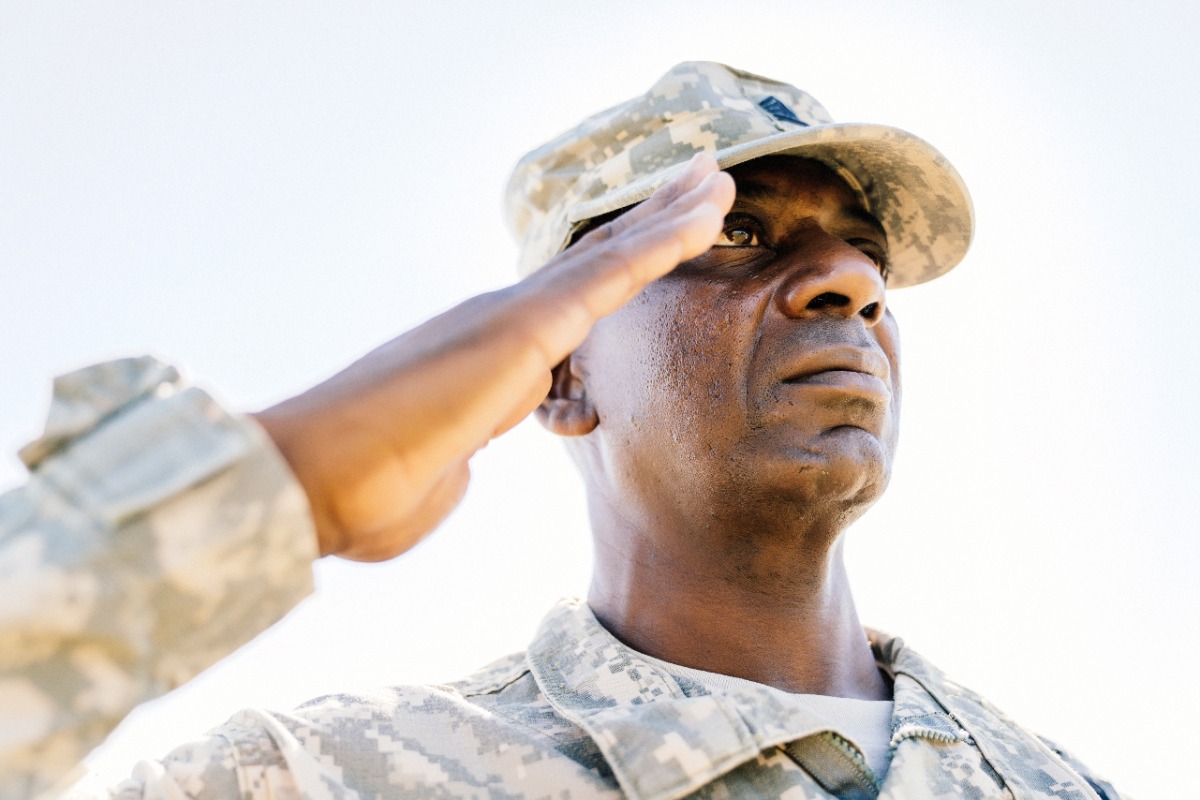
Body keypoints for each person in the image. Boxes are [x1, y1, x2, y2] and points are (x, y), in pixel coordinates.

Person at [0, 62, 1123, 799]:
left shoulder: (1065, 785)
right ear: (560, 368)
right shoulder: (319, 779)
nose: (845, 281)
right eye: (731, 236)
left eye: (861, 252)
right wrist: (287, 483)